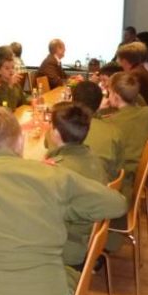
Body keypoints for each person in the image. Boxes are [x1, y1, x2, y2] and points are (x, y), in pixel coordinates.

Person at [0, 107, 126, 295]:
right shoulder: (53, 175)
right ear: (21, 142)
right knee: (67, 275)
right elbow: (117, 204)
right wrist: (66, 208)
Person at [44, 102, 112, 267]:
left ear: (55, 133)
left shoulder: (59, 171)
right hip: (86, 239)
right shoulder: (94, 159)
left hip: (67, 247)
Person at [102, 72, 148, 199]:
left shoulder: (110, 123)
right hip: (136, 170)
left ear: (116, 96)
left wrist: (98, 111)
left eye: (109, 92)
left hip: (121, 177)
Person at [73, 81, 124, 180]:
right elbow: (118, 170)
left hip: (69, 186)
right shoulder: (114, 132)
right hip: (105, 186)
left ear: (73, 101)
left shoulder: (59, 129)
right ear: (99, 103)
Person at [116, 42, 148, 117]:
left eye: (119, 60)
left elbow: (126, 97)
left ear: (124, 61)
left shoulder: (135, 74)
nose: (118, 63)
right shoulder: (140, 69)